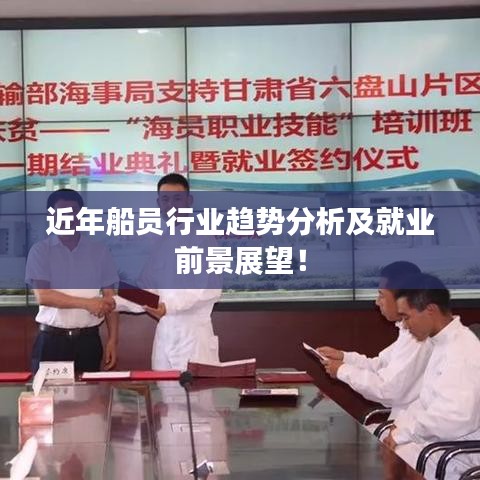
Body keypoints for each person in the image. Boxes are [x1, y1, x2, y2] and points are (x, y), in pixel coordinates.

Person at [383, 274, 480, 479]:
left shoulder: (461, 351)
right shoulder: (441, 343)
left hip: (463, 448)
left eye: (407, 317)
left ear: (430, 310)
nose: (405, 325)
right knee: (392, 443)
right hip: (445, 439)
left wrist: (405, 432)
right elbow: (427, 401)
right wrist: (401, 424)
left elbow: (454, 418)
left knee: (403, 453)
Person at [316, 261, 432, 421]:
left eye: (381, 295)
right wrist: (344, 357)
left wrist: (342, 370)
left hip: (417, 430)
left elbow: (388, 390)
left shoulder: (420, 337)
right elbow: (381, 366)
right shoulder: (409, 330)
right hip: (404, 424)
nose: (377, 302)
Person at [25, 189, 119, 373]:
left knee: (90, 392)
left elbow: (111, 300)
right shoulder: (40, 251)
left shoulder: (99, 252)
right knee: (48, 392)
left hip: (88, 342)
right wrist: (87, 303)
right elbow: (43, 296)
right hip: (51, 341)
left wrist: (113, 340)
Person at [138, 173, 222, 371]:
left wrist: (167, 306)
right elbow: (146, 286)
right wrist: (116, 300)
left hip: (193, 339)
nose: (171, 205)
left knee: (195, 391)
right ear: (158, 203)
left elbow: (209, 289)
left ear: (189, 201)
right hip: (164, 336)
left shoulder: (203, 237)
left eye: (177, 199)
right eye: (165, 199)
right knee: (162, 390)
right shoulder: (160, 242)